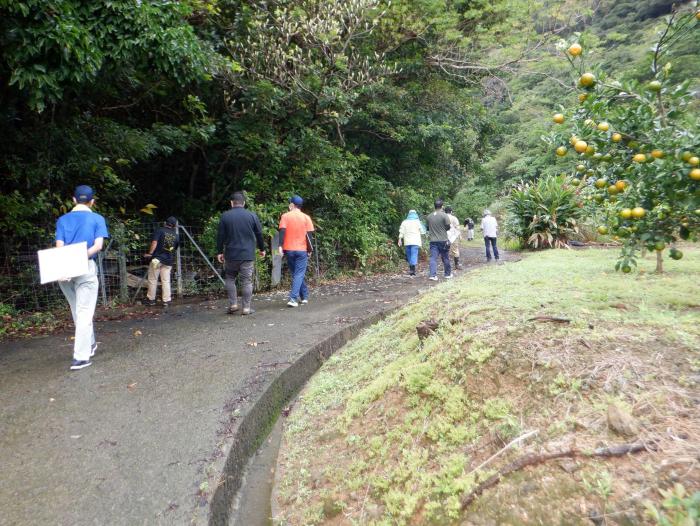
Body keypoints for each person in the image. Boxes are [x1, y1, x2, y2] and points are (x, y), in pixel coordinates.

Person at [55, 185, 109, 370]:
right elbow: (98, 246)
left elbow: (59, 247)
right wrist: (79, 258)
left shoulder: (62, 220)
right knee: (85, 312)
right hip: (85, 267)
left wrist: (66, 265)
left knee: (77, 310)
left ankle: (91, 343)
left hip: (64, 269)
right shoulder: (97, 219)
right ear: (92, 201)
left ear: (73, 200)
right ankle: (81, 357)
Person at [216, 192, 266, 315]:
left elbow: (220, 235)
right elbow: (259, 233)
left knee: (230, 278)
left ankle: (233, 305)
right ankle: (246, 308)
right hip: (247, 255)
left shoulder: (225, 216)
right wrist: (262, 248)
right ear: (244, 203)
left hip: (231, 254)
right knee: (247, 281)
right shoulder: (252, 215)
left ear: (231, 203)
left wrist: (219, 252)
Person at [278, 195, 315, 307]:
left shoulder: (285, 216)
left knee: (296, 274)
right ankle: (301, 297)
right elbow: (309, 236)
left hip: (289, 250)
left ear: (292, 205)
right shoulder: (306, 217)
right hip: (302, 250)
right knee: (298, 274)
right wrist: (310, 250)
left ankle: (296, 298)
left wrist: (280, 246)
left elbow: (282, 231)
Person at [143, 216, 180, 308]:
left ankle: (151, 300)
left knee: (153, 279)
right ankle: (166, 301)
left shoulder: (159, 230)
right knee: (166, 280)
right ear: (175, 226)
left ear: (165, 223)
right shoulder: (176, 235)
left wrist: (150, 253)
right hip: (168, 261)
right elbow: (174, 249)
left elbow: (154, 242)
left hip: (157, 259)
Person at [425, 199, 452, 281]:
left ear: (434, 206)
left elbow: (427, 228)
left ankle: (432, 275)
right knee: (445, 258)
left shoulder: (429, 216)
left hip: (433, 241)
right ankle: (447, 274)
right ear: (442, 206)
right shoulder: (444, 215)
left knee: (433, 258)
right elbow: (448, 227)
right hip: (443, 240)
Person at [397, 210, 425, 276]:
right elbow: (423, 232)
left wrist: (400, 239)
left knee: (409, 255)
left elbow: (401, 231)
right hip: (415, 241)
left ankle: (411, 269)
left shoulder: (404, 222)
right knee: (414, 254)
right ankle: (413, 270)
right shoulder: (418, 222)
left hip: (407, 241)